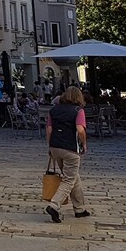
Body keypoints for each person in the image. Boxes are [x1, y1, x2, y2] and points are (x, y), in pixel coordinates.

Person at [45, 85, 90, 222]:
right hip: (70, 148)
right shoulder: (78, 111)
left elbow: (49, 130)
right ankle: (54, 205)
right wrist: (84, 143)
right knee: (69, 179)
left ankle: (79, 208)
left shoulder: (54, 110)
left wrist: (50, 146)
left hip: (55, 147)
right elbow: (80, 129)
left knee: (73, 176)